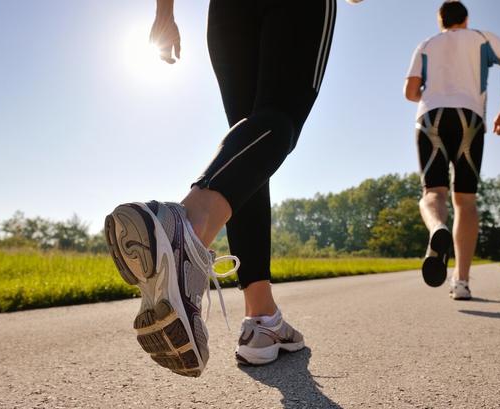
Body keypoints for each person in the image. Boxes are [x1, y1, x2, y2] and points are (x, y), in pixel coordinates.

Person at [104, 0, 338, 377]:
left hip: (228, 10)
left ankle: (262, 317)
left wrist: (164, 14)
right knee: (279, 117)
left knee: (247, 146)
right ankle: (188, 228)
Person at [404, 1, 500, 299]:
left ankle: (436, 229)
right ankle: (462, 282)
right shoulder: (481, 37)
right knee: (465, 201)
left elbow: (410, 92)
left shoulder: (427, 44)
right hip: (470, 117)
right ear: (465, 19)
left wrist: (429, 88)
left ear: (441, 21)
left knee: (433, 193)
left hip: (431, 117)